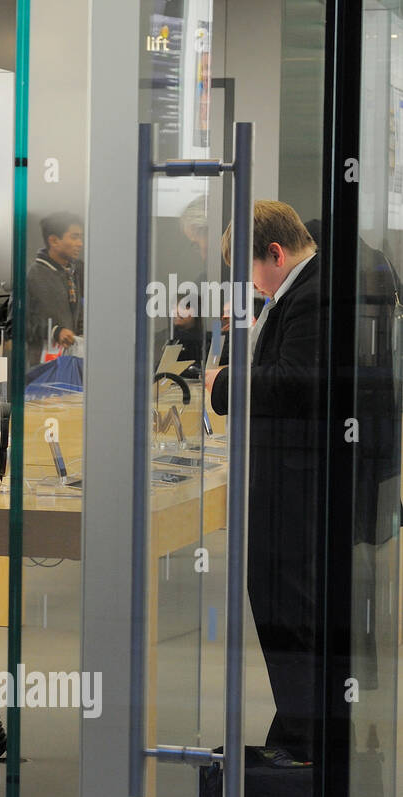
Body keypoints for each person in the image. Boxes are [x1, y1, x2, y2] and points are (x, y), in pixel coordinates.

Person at [207, 200, 324, 762]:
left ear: (275, 253)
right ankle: (298, 727)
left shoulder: (313, 296)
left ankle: (305, 738)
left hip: (296, 483)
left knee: (286, 605)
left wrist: (223, 382)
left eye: (252, 270)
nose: (252, 285)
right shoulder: (300, 292)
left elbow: (296, 385)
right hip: (286, 477)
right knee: (281, 603)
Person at [25, 212, 84, 365]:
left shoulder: (73, 272)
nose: (80, 243)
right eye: (74, 237)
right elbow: (16, 325)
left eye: (80, 237)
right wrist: (54, 332)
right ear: (54, 241)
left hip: (70, 365)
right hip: (41, 370)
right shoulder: (32, 276)